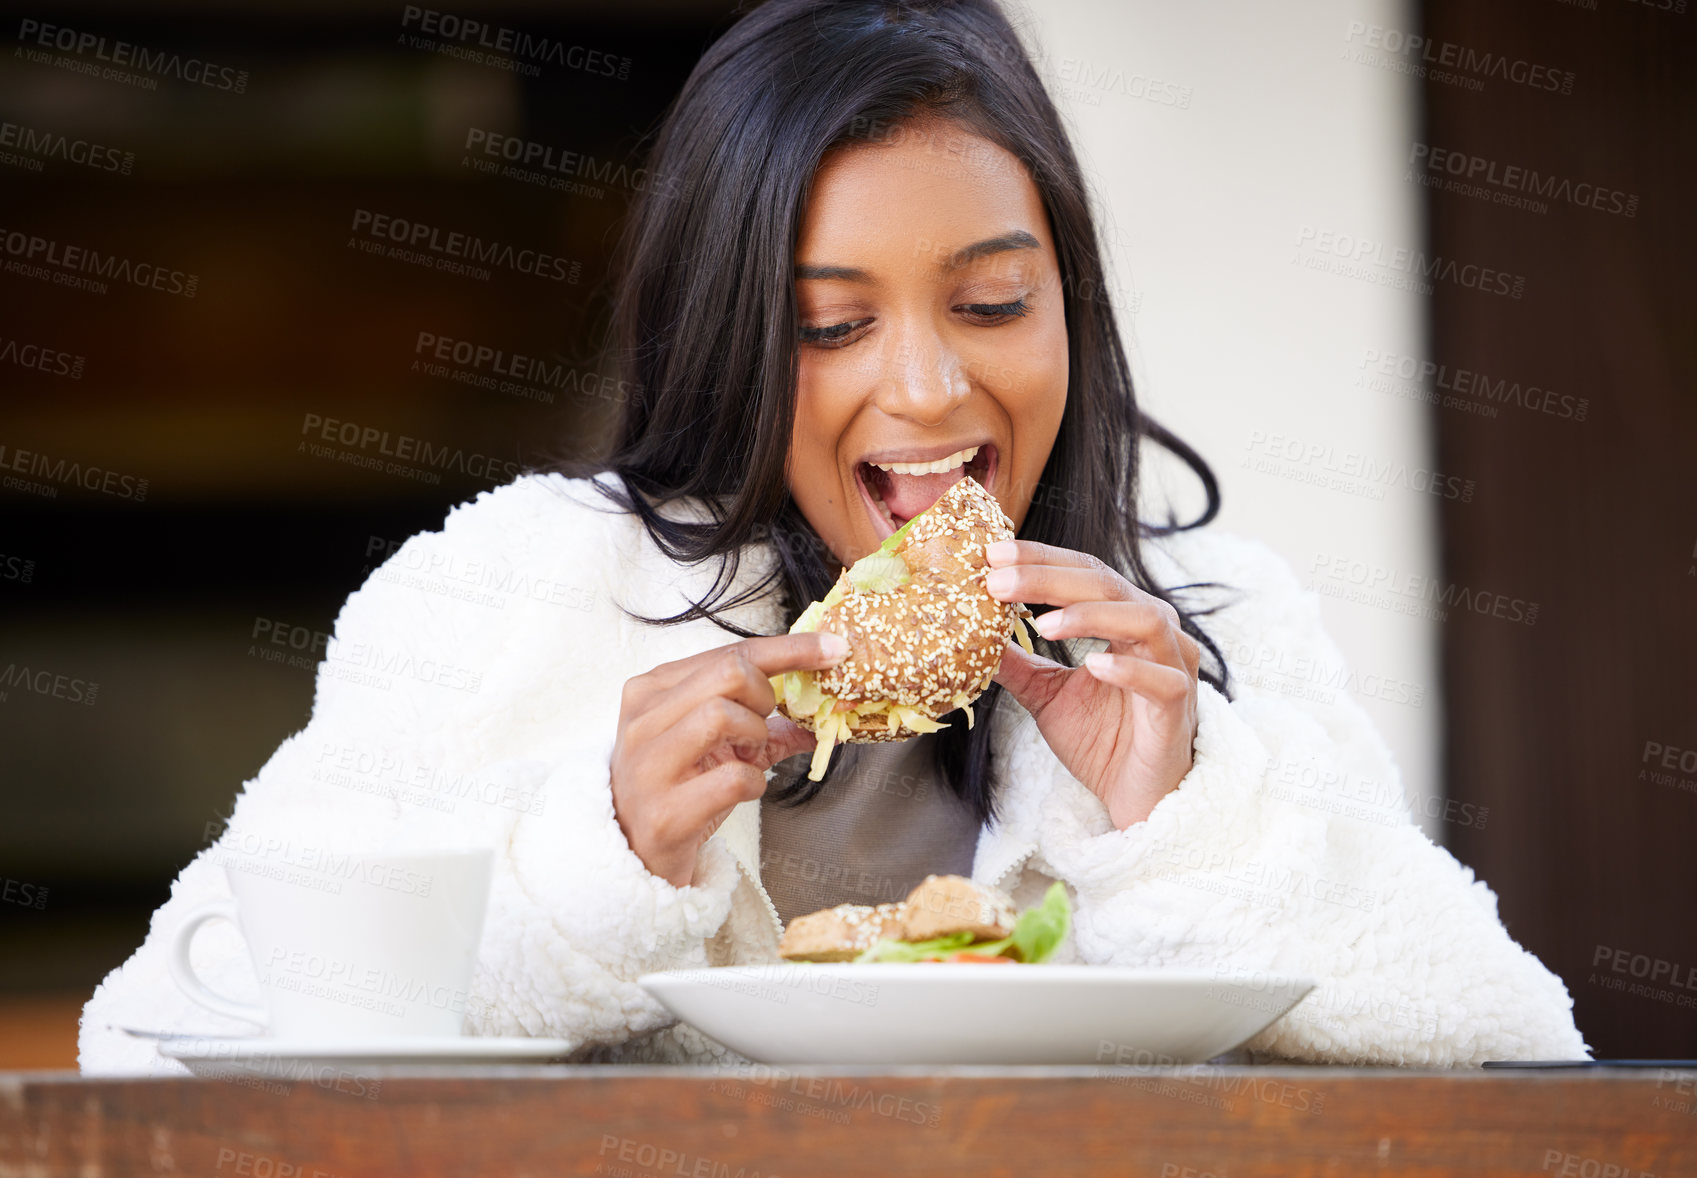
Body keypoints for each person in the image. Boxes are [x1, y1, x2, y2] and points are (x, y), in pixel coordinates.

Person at [79, 0, 1587, 1073]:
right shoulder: (513, 596)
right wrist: (593, 853)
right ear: (724, 338)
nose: (928, 387)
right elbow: (155, 1049)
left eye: (993, 303)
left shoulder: (1208, 629)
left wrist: (1182, 817)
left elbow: (1503, 1048)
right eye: (830, 324)